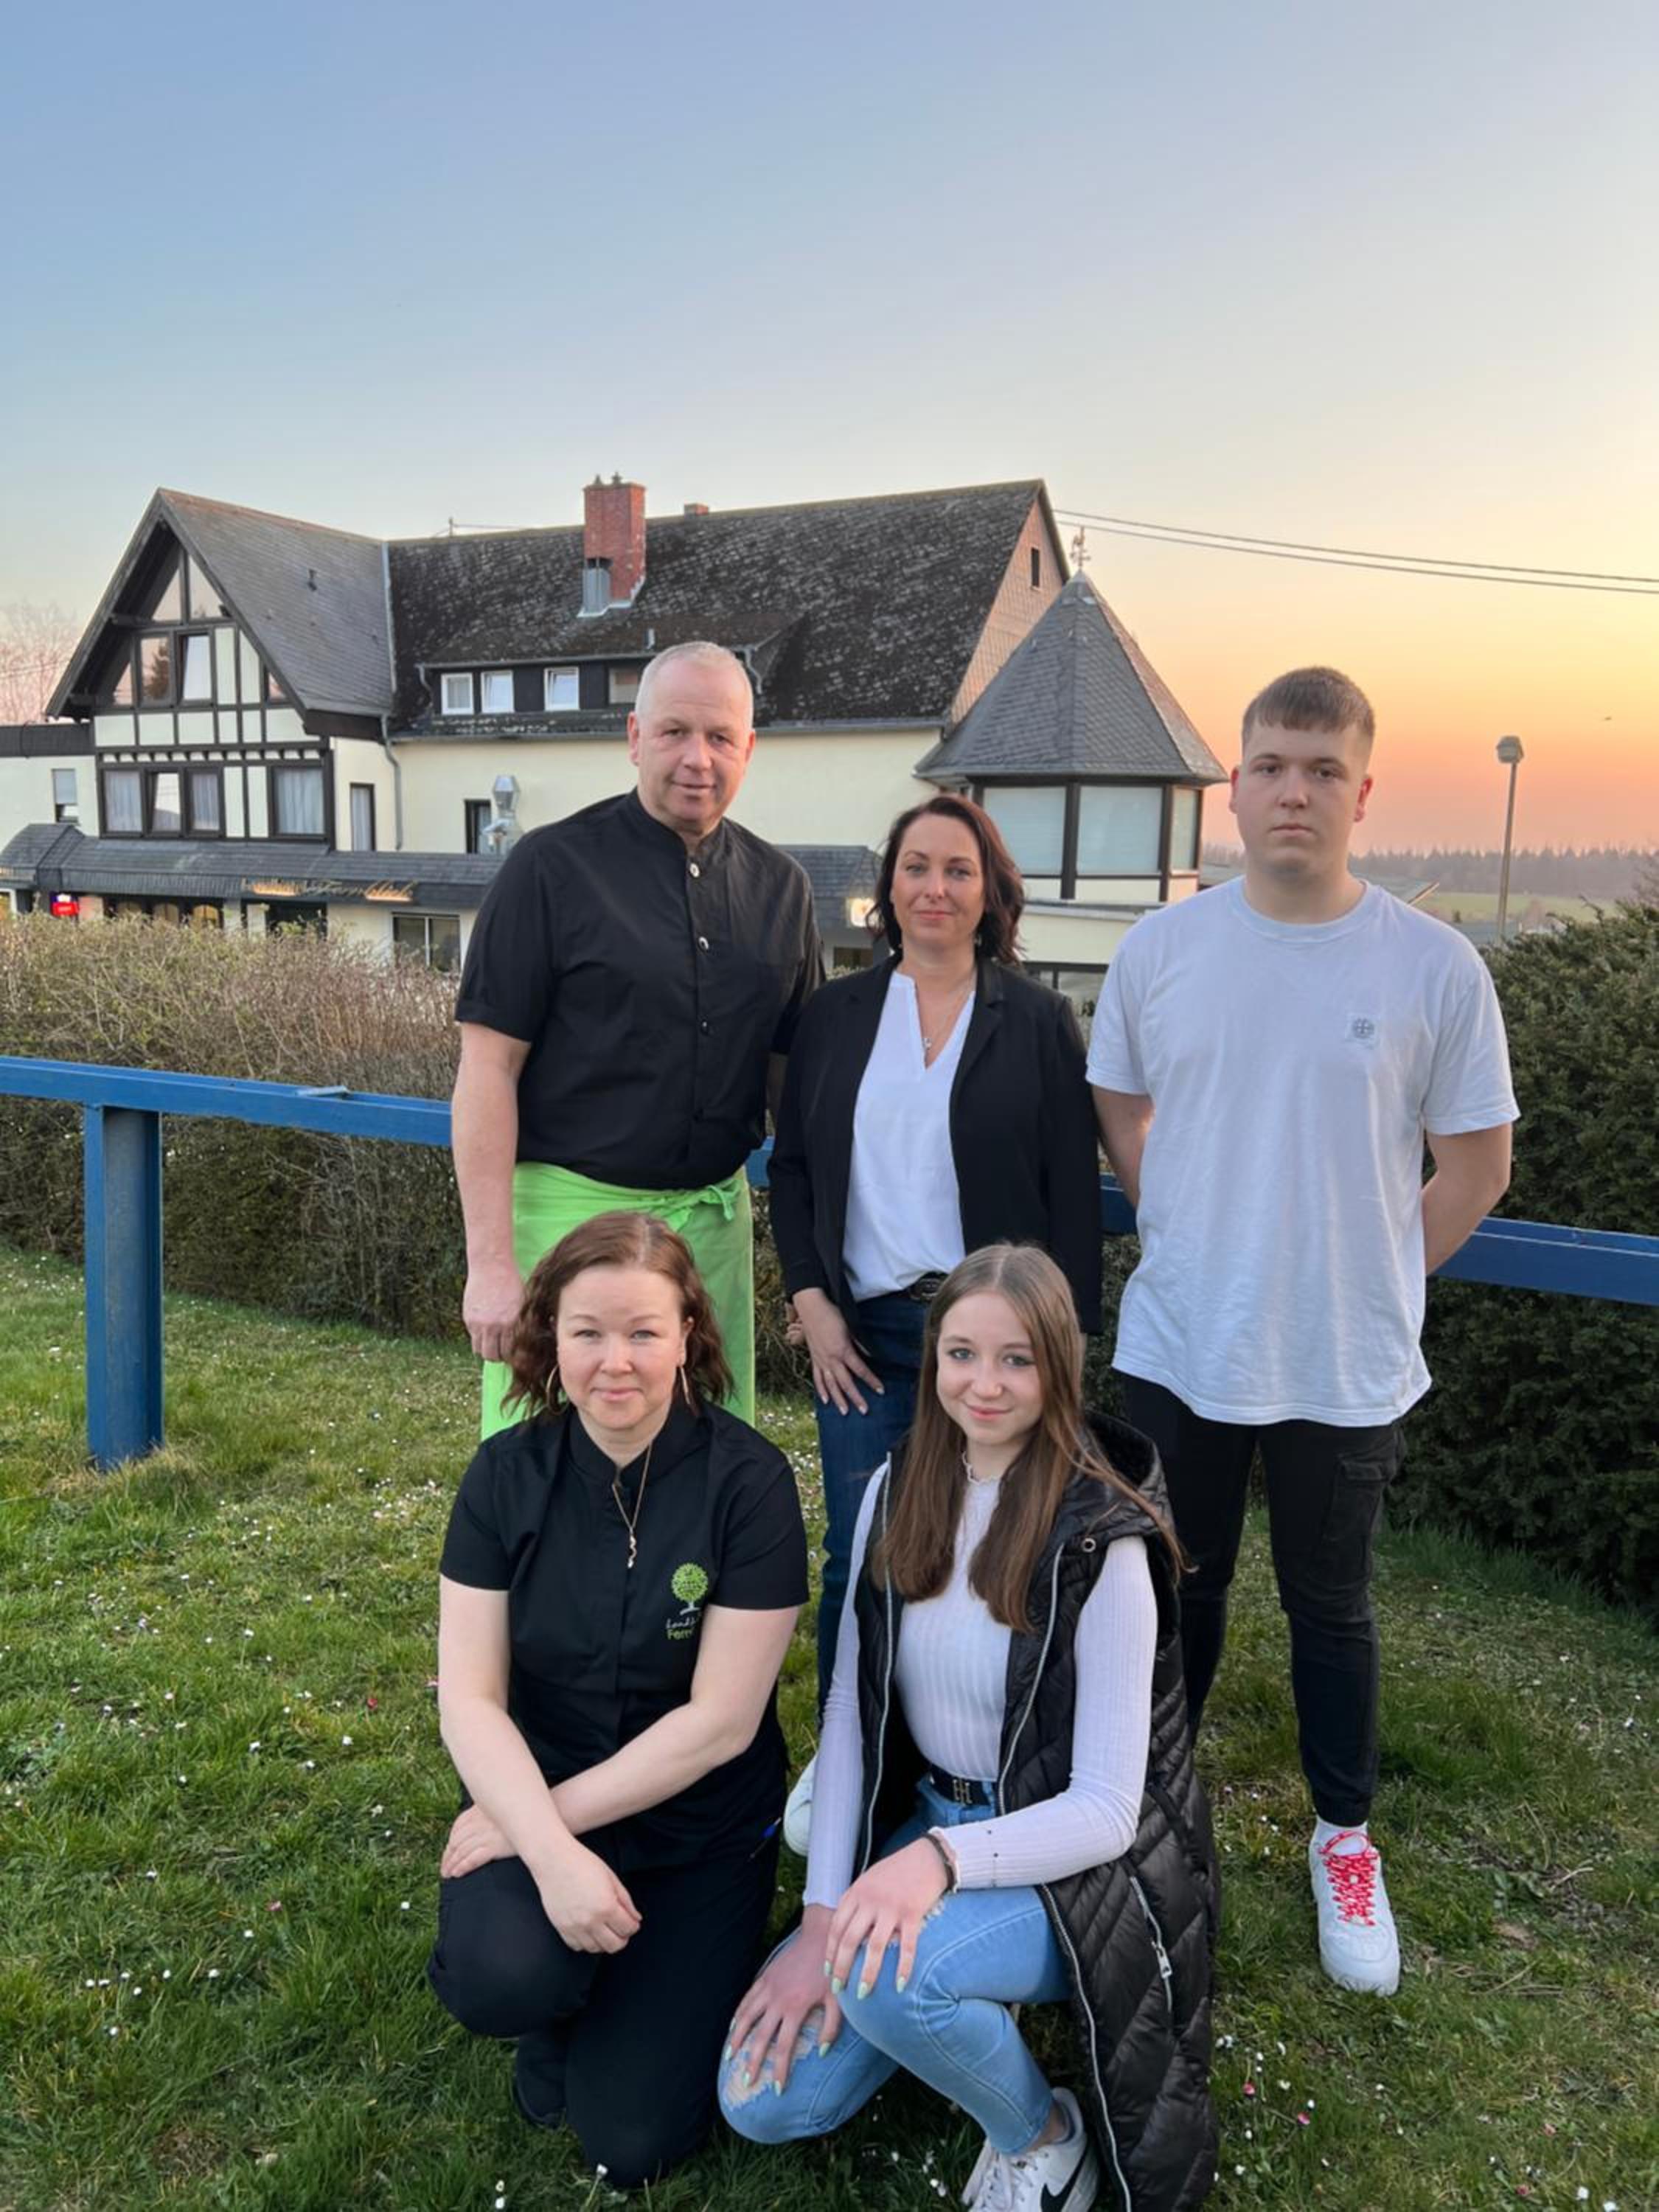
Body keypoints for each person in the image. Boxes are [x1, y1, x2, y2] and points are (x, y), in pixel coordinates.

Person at [1088, 666, 1517, 1997]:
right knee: (1176, 1592)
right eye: (1271, 765)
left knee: (1331, 1608)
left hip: (1344, 1362)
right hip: (1183, 1344)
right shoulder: (1161, 950)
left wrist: (1371, 1275)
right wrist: (1184, 1225)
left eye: (1323, 770)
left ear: (1361, 793)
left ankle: (1344, 1840)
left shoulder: (1432, 966)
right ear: (1235, 784)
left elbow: (1478, 1167)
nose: (1294, 791)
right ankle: (1149, 1811)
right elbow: (1119, 1105)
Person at [719, 1245, 1217, 2212]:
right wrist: (822, 1917)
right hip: (934, 1816)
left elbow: (1108, 1812)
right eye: (961, 1354)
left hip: (1072, 1865)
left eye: (1015, 1359)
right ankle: (952, 1992)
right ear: (934, 1358)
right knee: (762, 2100)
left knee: (888, 1984)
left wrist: (935, 1864)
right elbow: (850, 1710)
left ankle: (1043, 2138)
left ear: (1059, 1366)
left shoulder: (1102, 1537)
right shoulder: (897, 1485)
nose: (983, 1384)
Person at [427, 1211, 807, 2188]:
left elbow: (720, 1724)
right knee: (501, 1977)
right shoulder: (504, 1476)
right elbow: (470, 1699)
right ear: (550, 1337)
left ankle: (627, 1984)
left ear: (688, 1335)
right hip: (536, 1793)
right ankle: (554, 2003)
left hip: (698, 1830)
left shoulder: (751, 1485)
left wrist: (537, 1828)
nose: (616, 1361)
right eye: (588, 1332)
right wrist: (551, 1854)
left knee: (629, 2144)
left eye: (643, 1331)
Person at [768, 792, 1102, 1741]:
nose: (936, 888)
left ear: (991, 892)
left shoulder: (1037, 1021)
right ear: (889, 887)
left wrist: (1064, 1345)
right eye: (916, 867)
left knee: (996, 1554)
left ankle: (979, 1753)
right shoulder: (834, 1016)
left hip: (994, 1344)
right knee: (860, 1553)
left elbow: (1073, 1197)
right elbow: (793, 1169)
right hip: (861, 1339)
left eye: (959, 870)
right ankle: (850, 1760)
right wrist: (811, 1301)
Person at [451, 639, 823, 1436]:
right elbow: (487, 1070)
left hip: (710, 1239)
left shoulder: (784, 890)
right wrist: (490, 1266)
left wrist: (814, 1270)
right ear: (634, 737)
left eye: (720, 737)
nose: (698, 759)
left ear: (749, 748)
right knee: (550, 1463)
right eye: (674, 732)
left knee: (703, 1465)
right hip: (568, 1235)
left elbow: (798, 1103)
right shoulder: (547, 869)